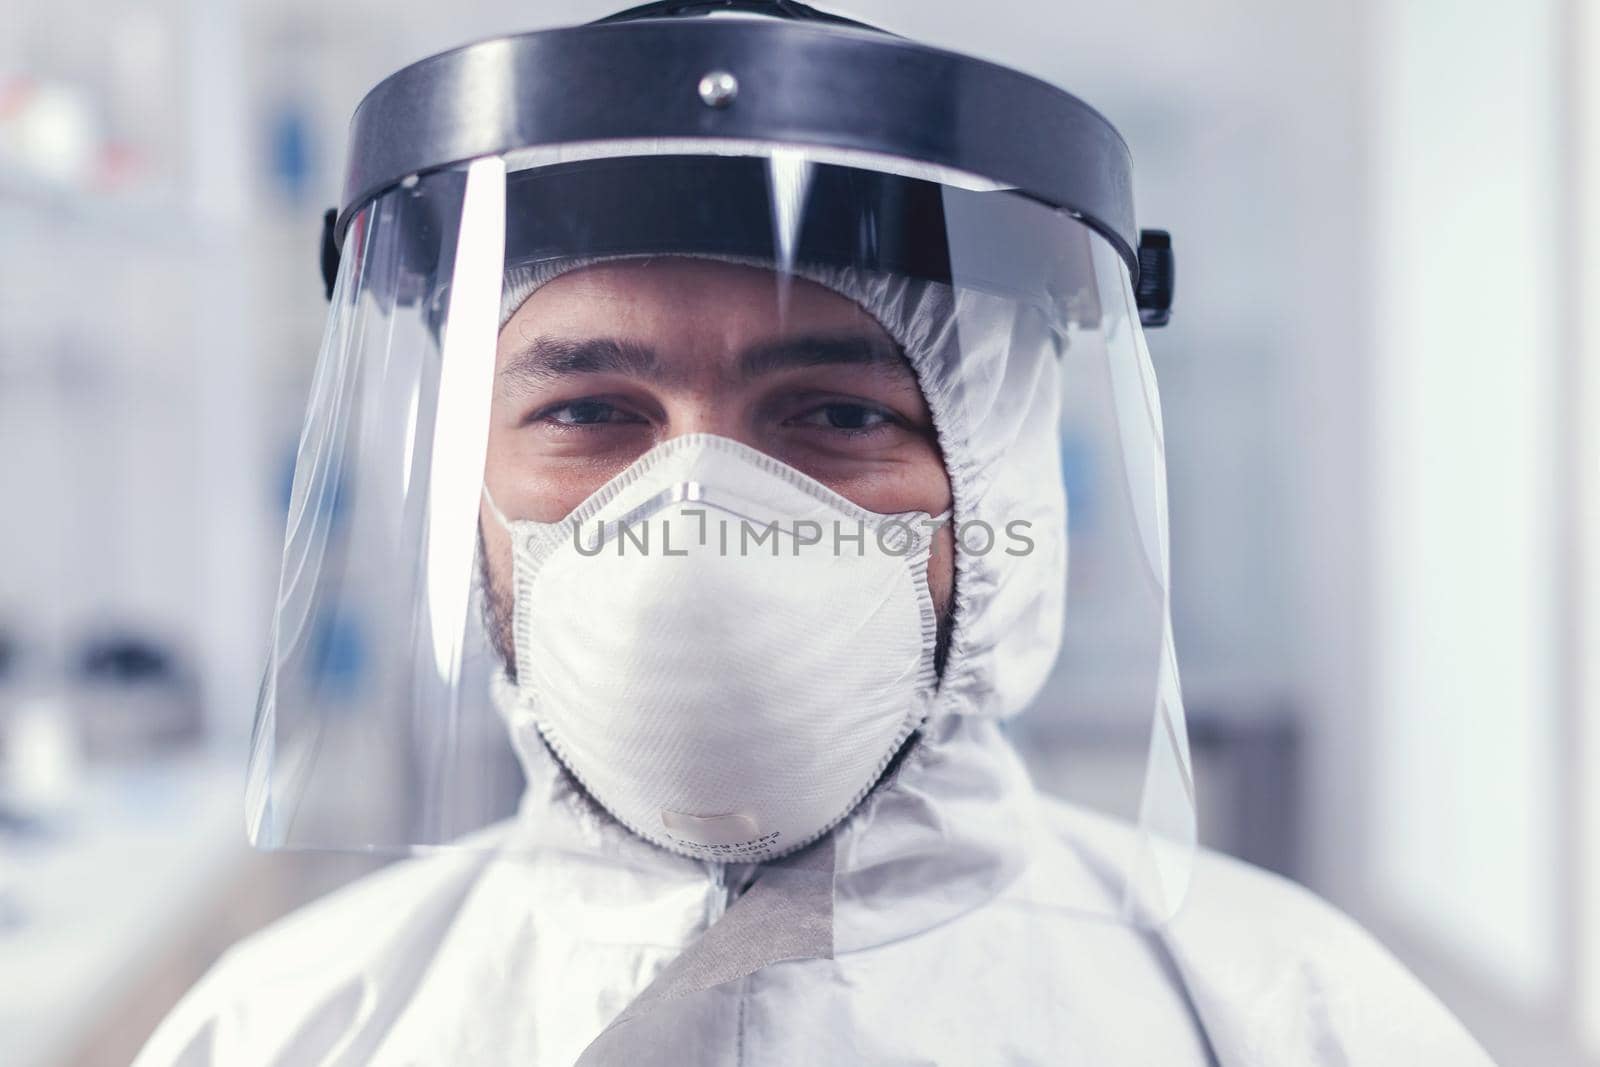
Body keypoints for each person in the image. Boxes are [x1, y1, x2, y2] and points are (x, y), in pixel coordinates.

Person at [137, 4, 1496, 1064]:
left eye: (837, 411)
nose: (690, 532)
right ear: (464, 490)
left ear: (999, 485)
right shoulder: (279, 1035)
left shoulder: (1298, 1028)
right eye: (592, 409)